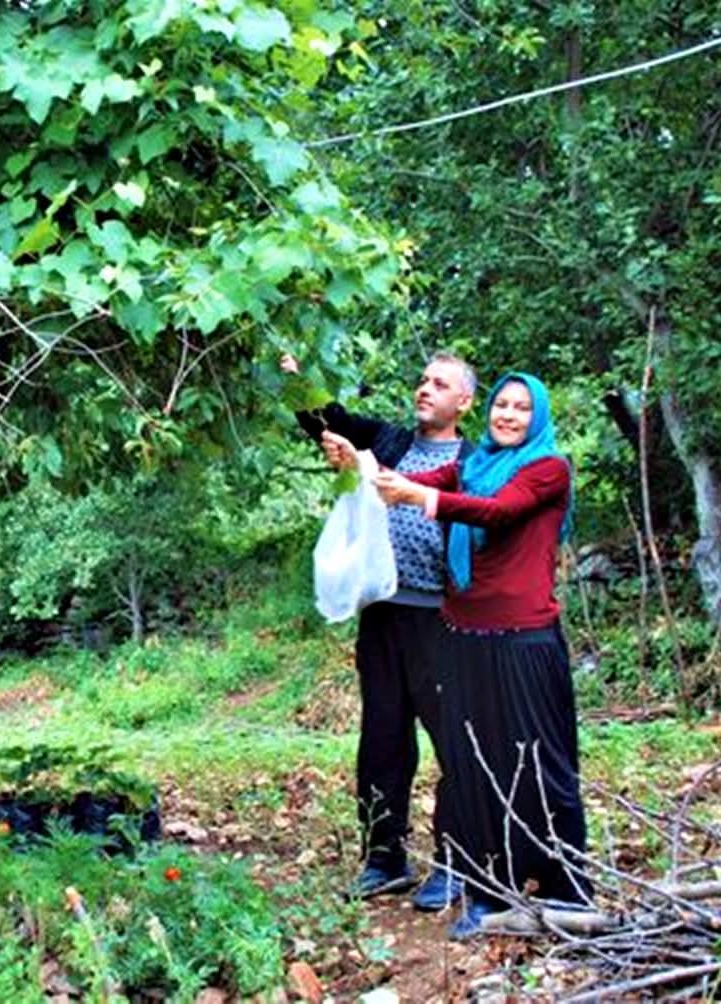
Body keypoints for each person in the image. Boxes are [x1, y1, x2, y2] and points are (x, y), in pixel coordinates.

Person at [371, 372, 587, 939]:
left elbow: (496, 511)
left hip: (524, 642)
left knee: (541, 764)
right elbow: (416, 480)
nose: (508, 415)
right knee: (474, 768)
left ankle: (566, 887)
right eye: (501, 405)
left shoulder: (547, 468)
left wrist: (421, 498)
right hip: (463, 636)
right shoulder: (476, 464)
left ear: (537, 418)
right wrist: (363, 465)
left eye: (521, 408)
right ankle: (490, 889)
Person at [291, 351, 476, 910]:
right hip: (383, 614)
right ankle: (384, 858)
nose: (425, 389)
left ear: (464, 402)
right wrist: (296, 382)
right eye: (423, 380)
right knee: (382, 740)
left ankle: (458, 861)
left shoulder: (475, 459)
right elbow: (330, 422)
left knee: (455, 742)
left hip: (443, 619)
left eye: (439, 384)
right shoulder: (390, 441)